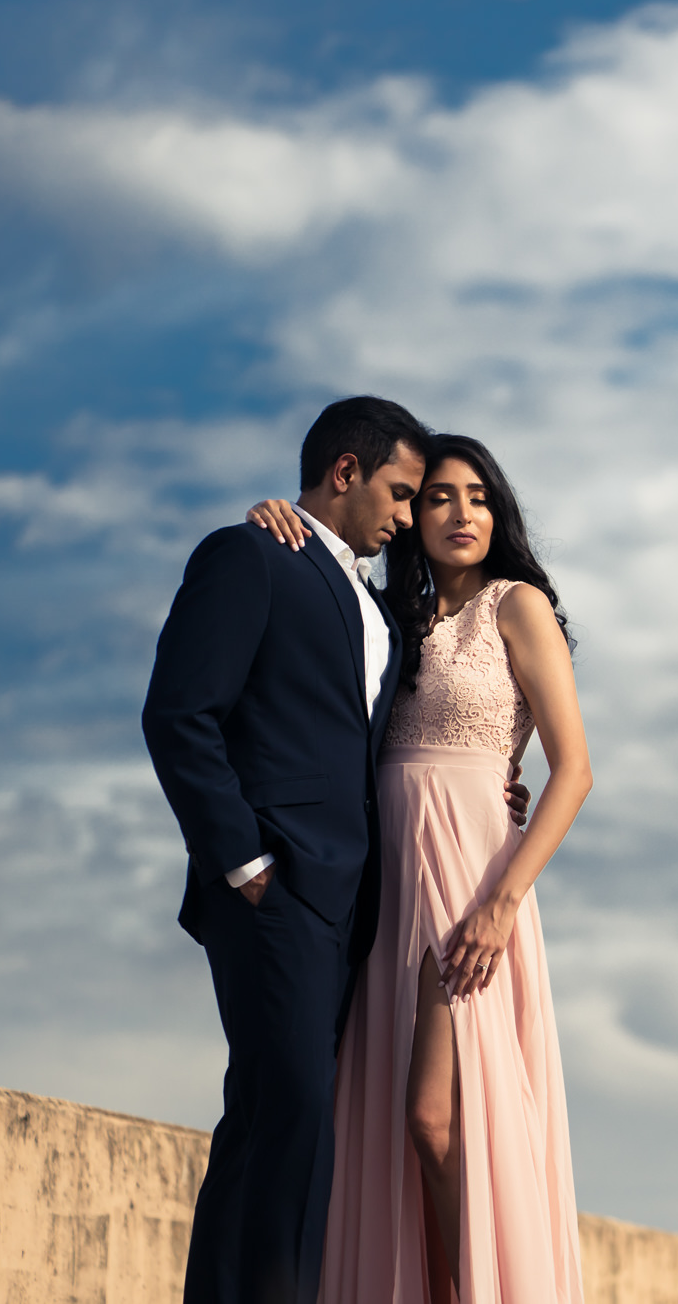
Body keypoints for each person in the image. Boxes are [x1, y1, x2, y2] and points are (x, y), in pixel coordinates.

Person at [246, 432, 592, 1304]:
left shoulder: (518, 607)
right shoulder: (387, 620)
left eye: (477, 495)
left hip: (471, 884)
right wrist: (272, 518)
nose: (460, 512)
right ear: (410, 514)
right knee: (382, 1129)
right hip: (383, 885)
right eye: (436, 496)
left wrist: (503, 902)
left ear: (498, 510)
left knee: (435, 1121)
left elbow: (575, 769)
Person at [144, 396, 432, 1304]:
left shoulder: (378, 602)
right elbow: (179, 714)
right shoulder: (252, 555)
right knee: (288, 1111)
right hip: (276, 885)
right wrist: (245, 862)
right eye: (398, 491)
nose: (406, 516)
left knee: (291, 1119)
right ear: (344, 472)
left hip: (354, 904)